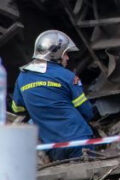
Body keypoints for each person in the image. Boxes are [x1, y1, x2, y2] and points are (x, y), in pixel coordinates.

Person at [10, 30, 96, 160]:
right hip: (79, 139)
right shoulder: (67, 76)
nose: (67, 58)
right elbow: (86, 111)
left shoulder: (22, 78)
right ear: (56, 54)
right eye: (65, 53)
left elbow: (17, 109)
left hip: (52, 145)